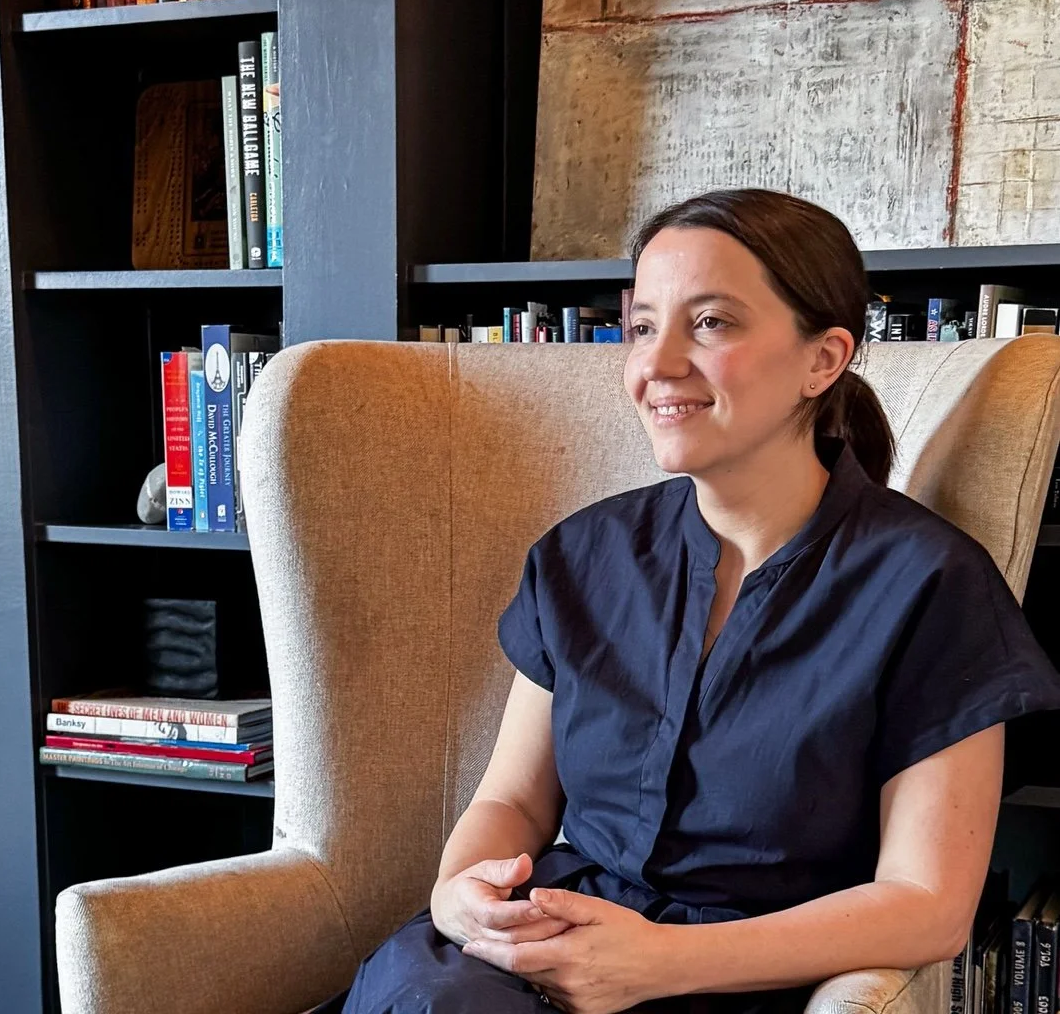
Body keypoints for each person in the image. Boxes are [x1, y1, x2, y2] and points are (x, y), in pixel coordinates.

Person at [309, 187, 1060, 1014]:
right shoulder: (580, 556)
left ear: (824, 358)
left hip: (736, 974)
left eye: (710, 323)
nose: (655, 364)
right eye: (640, 326)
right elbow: (514, 800)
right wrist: (458, 896)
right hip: (531, 951)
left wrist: (661, 961)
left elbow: (929, 906)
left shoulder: (930, 585)